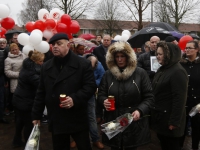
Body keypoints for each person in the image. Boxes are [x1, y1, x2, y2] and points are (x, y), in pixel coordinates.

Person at [31, 33, 96, 150]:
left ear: (68, 45)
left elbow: (90, 87)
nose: (55, 46)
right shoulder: (46, 66)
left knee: (84, 146)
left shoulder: (82, 64)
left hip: (77, 116)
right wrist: (36, 115)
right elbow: (41, 92)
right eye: (53, 44)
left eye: (59, 44)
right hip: (57, 117)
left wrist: (74, 99)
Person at [97, 41, 154, 150]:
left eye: (122, 56)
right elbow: (101, 94)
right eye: (117, 56)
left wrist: (140, 110)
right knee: (115, 147)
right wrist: (103, 101)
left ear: (129, 57)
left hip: (133, 120)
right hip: (113, 119)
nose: (119, 59)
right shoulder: (108, 74)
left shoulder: (140, 73)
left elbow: (149, 97)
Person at [151, 41, 188, 150]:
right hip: (161, 118)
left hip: (170, 121)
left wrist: (174, 122)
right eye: (157, 54)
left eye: (160, 54)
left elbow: (180, 99)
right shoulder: (162, 69)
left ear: (169, 54)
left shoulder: (178, 71)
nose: (157, 56)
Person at [12, 50, 44, 148]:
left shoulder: (27, 66)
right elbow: (40, 84)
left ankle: (16, 141)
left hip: (19, 99)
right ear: (35, 61)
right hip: (26, 101)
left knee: (20, 121)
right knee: (29, 126)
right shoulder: (32, 73)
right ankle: (30, 146)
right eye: (41, 61)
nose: (42, 63)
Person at [179, 40, 200, 150]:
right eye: (186, 48)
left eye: (190, 48)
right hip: (183, 102)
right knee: (181, 129)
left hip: (197, 104)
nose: (187, 50)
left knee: (197, 129)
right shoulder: (181, 64)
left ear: (197, 50)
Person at [4, 43, 26, 111]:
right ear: (10, 51)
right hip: (15, 81)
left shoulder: (24, 55)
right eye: (13, 50)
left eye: (16, 49)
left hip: (25, 80)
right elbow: (7, 72)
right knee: (17, 99)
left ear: (18, 49)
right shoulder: (8, 60)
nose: (15, 51)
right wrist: (19, 74)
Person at [0, 38, 9, 124]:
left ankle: (1, 116)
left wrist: (6, 80)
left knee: (2, 98)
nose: (2, 44)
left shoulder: (7, 53)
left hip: (2, 77)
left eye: (3, 43)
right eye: (0, 43)